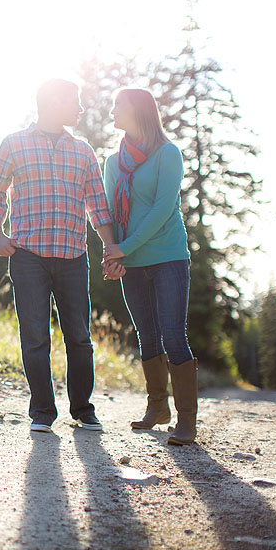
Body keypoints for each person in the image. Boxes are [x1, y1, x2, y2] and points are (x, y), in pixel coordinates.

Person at [0, 78, 125, 433]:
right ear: (53, 102)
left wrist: (110, 248)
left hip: (73, 257)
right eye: (73, 101)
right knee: (35, 337)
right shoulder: (14, 144)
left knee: (78, 336)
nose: (79, 108)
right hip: (28, 256)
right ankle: (42, 413)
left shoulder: (83, 151)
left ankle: (83, 409)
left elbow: (98, 207)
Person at [101, 87, 197, 445]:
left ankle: (187, 419)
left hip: (168, 256)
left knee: (173, 334)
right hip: (132, 261)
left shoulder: (167, 154)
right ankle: (157, 407)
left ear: (138, 110)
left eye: (117, 105)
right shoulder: (113, 162)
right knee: (147, 335)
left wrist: (123, 248)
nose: (112, 110)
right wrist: (113, 253)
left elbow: (161, 210)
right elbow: (109, 213)